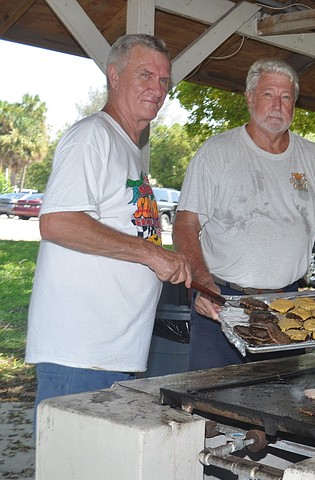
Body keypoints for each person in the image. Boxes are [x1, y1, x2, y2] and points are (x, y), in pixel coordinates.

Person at [173, 58, 315, 370]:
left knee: (274, 405)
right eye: (268, 95)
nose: (277, 106)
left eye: (286, 97)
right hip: (222, 302)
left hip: (289, 309)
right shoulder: (217, 152)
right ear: (250, 97)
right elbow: (185, 223)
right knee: (209, 404)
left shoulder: (314, 158)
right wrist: (201, 279)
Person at [26, 34, 191, 419]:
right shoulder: (92, 136)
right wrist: (152, 253)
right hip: (79, 356)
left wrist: (165, 258)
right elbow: (58, 222)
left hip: (114, 355)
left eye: (164, 80)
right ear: (113, 75)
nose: (157, 88)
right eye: (145, 75)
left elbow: (126, 232)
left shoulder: (130, 150)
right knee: (73, 478)